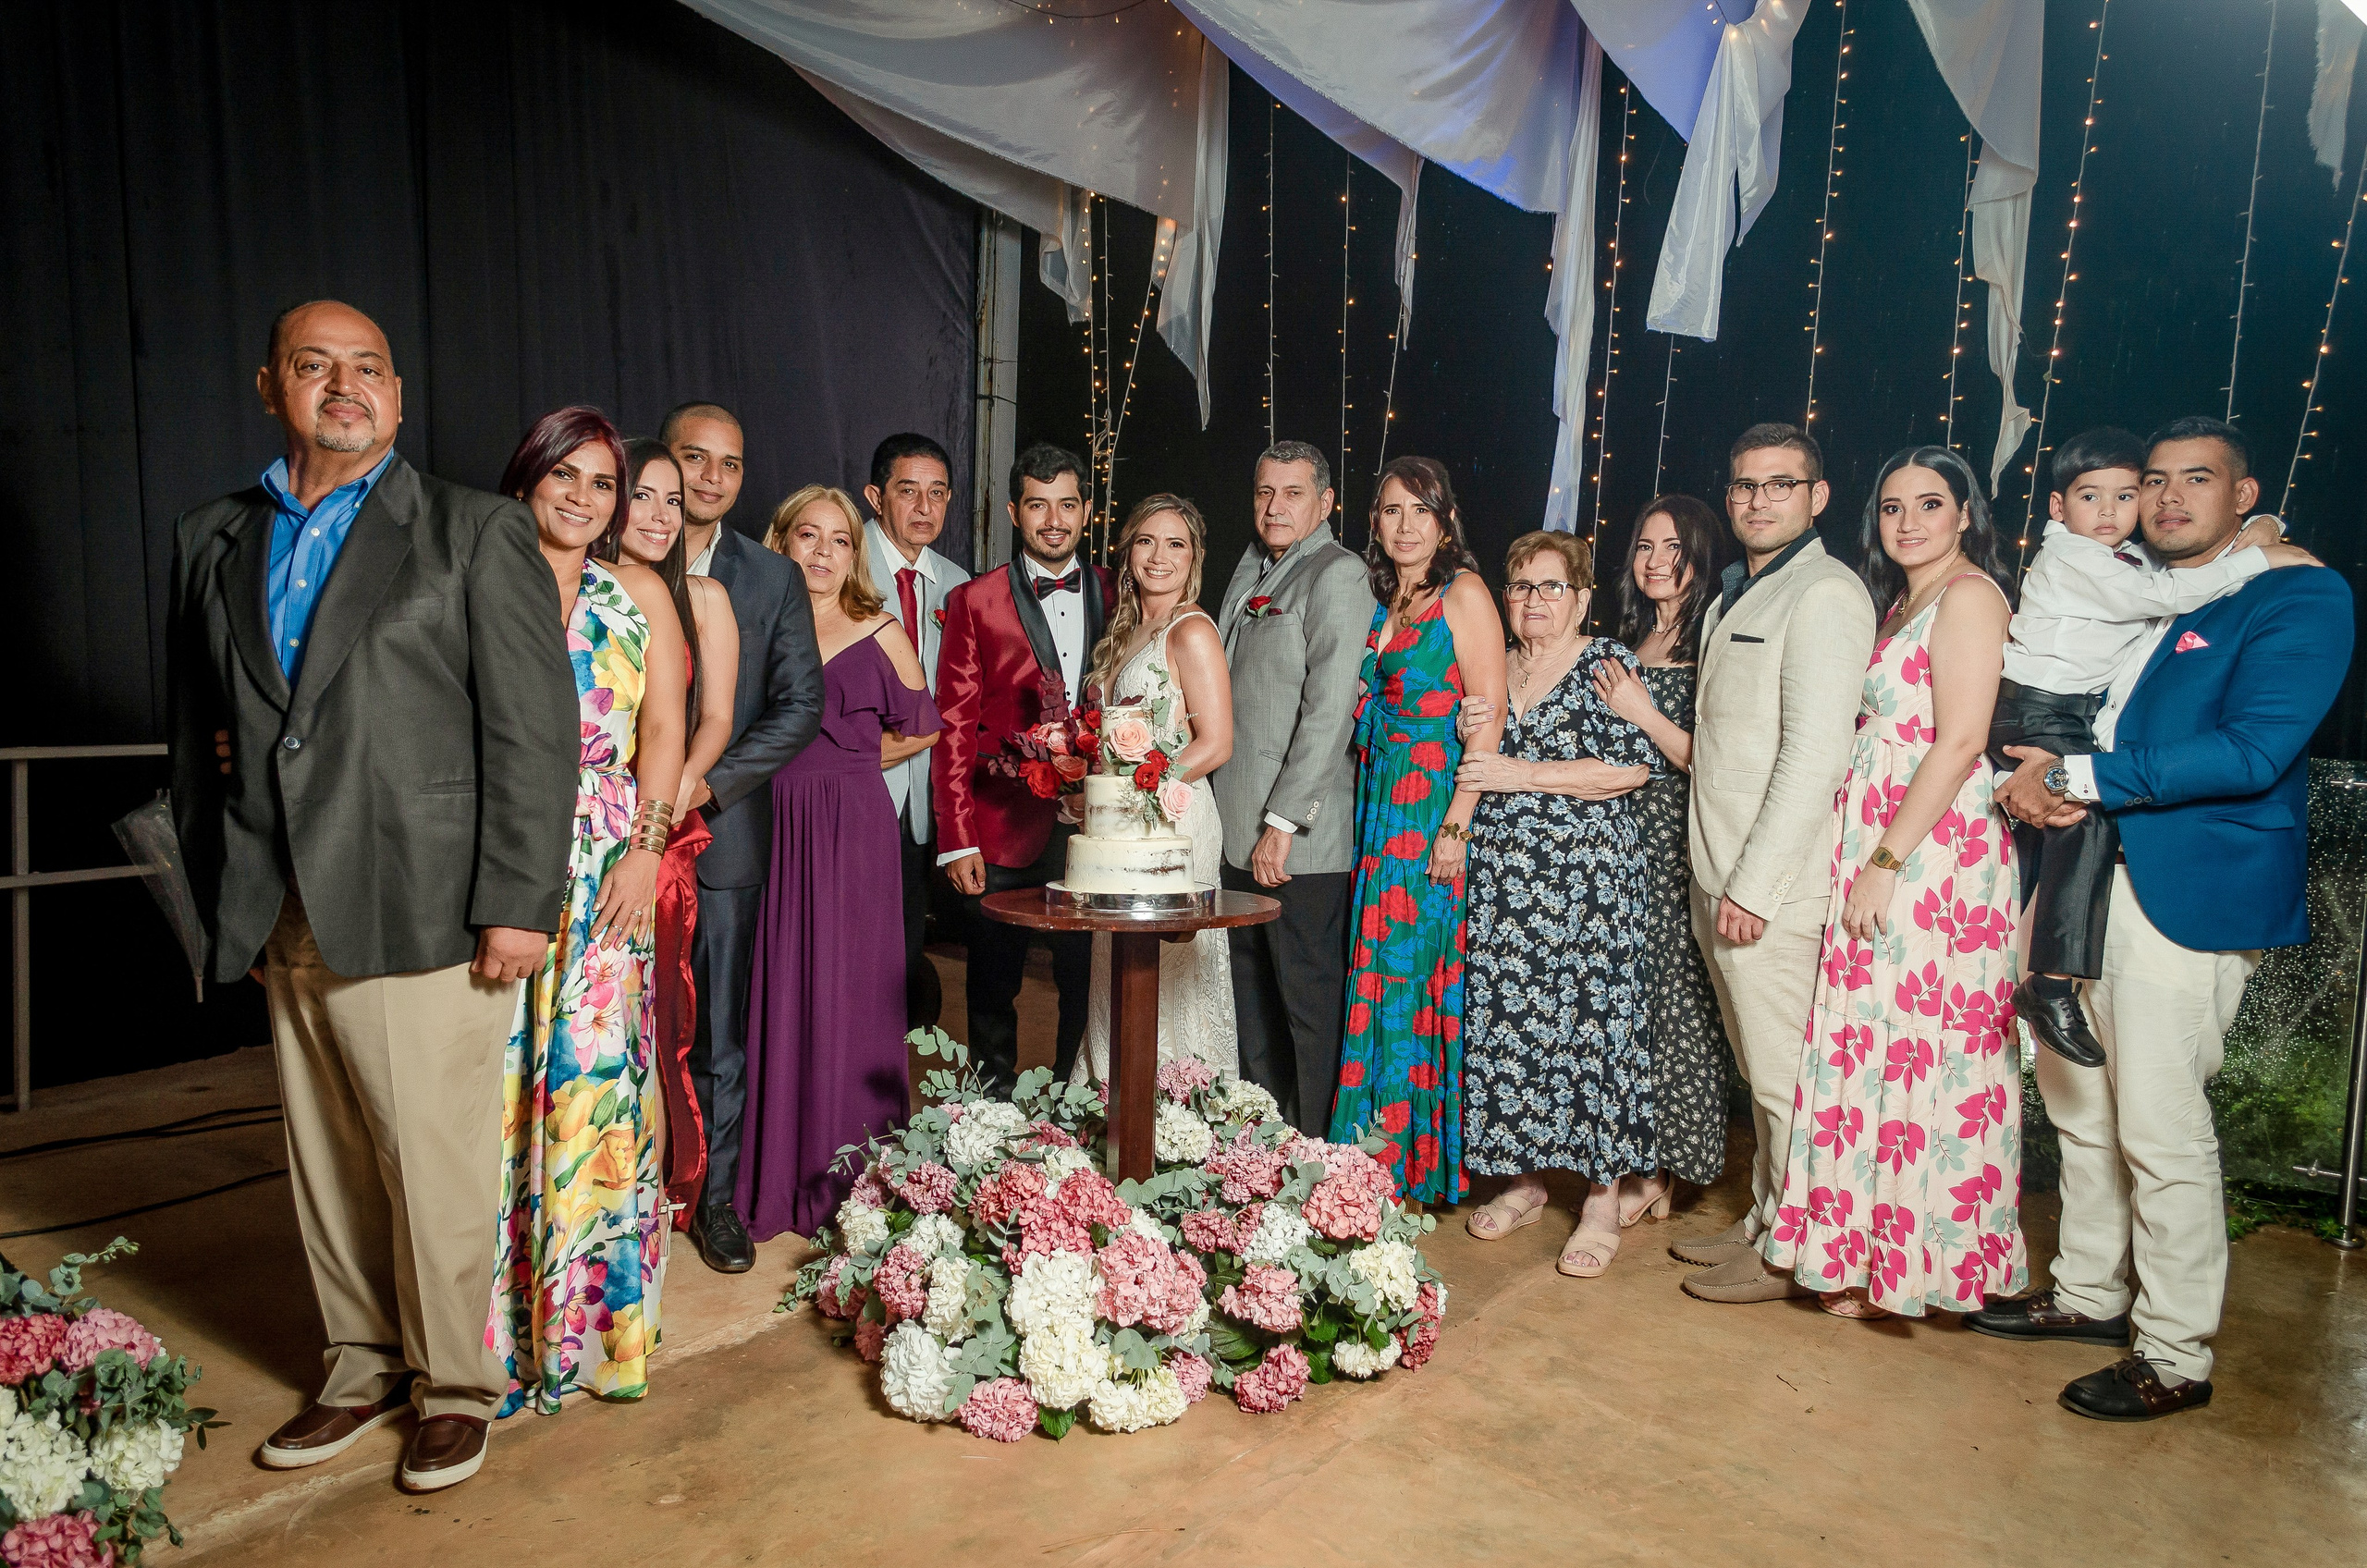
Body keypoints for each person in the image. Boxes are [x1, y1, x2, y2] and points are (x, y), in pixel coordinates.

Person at [170, 300, 576, 1491]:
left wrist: (519, 898)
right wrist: (217, 907)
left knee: (430, 1160)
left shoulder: (469, 529)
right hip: (277, 900)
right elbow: (197, 743)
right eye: (314, 366)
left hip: (425, 901)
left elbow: (533, 733)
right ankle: (359, 1367)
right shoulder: (212, 535)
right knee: (326, 1161)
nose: (342, 387)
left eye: (367, 370)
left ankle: (456, 1387)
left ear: (397, 398)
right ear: (270, 386)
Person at [1978, 417, 2349, 1421]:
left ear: (2244, 494)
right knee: (2078, 1106)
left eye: (2199, 479)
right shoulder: (2135, 585)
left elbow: (2250, 750)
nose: (2170, 496)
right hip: (2086, 873)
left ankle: (2175, 1352)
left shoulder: (2296, 593)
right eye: (2154, 479)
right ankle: (2089, 1294)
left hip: (2181, 891)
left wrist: (2078, 777)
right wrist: (2042, 777)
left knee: (2158, 1122)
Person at [1733, 445, 2023, 1320]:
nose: (1908, 522)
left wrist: (1887, 863)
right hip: (1882, 842)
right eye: (1893, 507)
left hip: (1933, 856)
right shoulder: (1903, 602)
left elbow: (1962, 739)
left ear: (1965, 514)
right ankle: (1858, 1257)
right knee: (1875, 1049)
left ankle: (1921, 1271)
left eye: (1929, 505)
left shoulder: (1971, 598)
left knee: (1925, 1053)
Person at [487, 407, 688, 1410]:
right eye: (564, 475)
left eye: (602, 483)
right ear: (527, 477)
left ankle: (593, 1335)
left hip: (611, 862)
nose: (583, 496)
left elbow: (665, 731)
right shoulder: (480, 580)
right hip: (496, 860)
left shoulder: (634, 593)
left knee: (597, 1088)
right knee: (490, 1097)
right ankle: (482, 1345)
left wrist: (645, 856)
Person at [1984, 427, 2297, 1066]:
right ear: (2056, 508)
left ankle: (2028, 974)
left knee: (2059, 841)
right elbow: (2172, 595)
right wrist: (2265, 557)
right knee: (2086, 825)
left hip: (2059, 713)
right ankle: (2048, 985)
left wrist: (2261, 524)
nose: (2109, 511)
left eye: (2126, 495)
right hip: (2038, 710)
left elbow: (2185, 570)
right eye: (2090, 496)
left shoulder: (2122, 558)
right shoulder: (2078, 558)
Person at [1676, 423, 1877, 1305]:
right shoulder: (1738, 594)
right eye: (1745, 486)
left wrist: (1755, 887)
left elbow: (1815, 754)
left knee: (1786, 1078)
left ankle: (1802, 1256)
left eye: (1780, 485)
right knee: (1761, 1072)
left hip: (1771, 888)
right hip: (1716, 872)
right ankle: (1767, 1219)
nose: (1759, 500)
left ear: (1817, 496)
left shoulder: (1827, 593)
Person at [737, 486, 941, 1238]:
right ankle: (774, 1179)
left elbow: (922, 729)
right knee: (777, 986)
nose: (823, 553)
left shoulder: (880, 628)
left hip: (852, 826)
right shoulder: (756, 622)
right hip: (769, 819)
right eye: (807, 537)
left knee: (853, 992)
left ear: (855, 555)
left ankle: (851, 1191)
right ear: (781, 540)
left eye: (840, 541)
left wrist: (848, 759)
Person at [1454, 532, 1657, 1275]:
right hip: (1504, 880)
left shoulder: (1608, 665)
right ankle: (1525, 1180)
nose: (1533, 601)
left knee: (1592, 1028)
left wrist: (1519, 772)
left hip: (1587, 882)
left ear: (1580, 597)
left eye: (1550, 587)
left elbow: (1632, 769)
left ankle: (1602, 1198)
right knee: (1511, 1021)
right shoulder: (1495, 666)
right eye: (1520, 587)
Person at [664, 401, 826, 1274]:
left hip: (721, 838)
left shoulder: (769, 578)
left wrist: (707, 788)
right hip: (616, 836)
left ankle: (713, 1198)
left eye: (729, 464)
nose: (711, 479)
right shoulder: (613, 555)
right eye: (695, 458)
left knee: (718, 1027)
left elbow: (801, 706)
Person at [1329, 457, 1507, 1207]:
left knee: (1406, 977)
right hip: (1377, 804)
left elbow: (1490, 714)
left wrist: (1457, 826)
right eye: (1392, 511)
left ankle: (1397, 1168)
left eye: (1420, 512)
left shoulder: (1463, 593)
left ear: (1444, 522)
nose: (1405, 526)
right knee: (1373, 971)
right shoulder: (1381, 595)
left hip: (1430, 805)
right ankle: (1364, 1163)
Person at [934, 442, 1112, 1096]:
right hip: (1000, 827)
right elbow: (952, 725)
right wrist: (957, 837)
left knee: (1082, 984)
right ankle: (993, 1115)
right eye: (1038, 505)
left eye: (1068, 504)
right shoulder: (973, 600)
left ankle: (1069, 1108)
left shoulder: (1114, 589)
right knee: (991, 985)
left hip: (1089, 828)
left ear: (1086, 511)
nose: (1054, 519)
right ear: (1014, 511)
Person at [1211, 442, 1375, 1133]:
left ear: (1326, 503)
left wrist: (1283, 822)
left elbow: (1329, 709)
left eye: (1293, 493)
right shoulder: (1253, 566)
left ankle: (1314, 1158)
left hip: (1297, 844)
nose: (1275, 506)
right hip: (1235, 830)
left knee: (1306, 1008)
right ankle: (1262, 1149)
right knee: (1252, 1004)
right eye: (1264, 492)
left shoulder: (1338, 574)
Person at [607, 438, 740, 1228]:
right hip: (582, 813)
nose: (660, 516)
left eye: (672, 501)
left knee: (659, 1008)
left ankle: (652, 1190)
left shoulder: (704, 597)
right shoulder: (579, 586)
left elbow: (716, 716)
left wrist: (667, 797)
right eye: (642, 498)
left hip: (662, 819)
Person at [1593, 495, 1734, 1196]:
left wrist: (1640, 710)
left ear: (1700, 556)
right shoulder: (1628, 640)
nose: (1655, 561)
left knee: (1681, 1005)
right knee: (1632, 1003)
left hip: (1680, 839)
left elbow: (1716, 759)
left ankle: (1672, 1170)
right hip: (1619, 845)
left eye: (1672, 548)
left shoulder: (1713, 638)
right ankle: (1634, 1154)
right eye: (1645, 546)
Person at [1076, 495, 1237, 1083]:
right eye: (1146, 541)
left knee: (1170, 979)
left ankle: (1180, 1121)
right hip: (1124, 830)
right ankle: (1117, 1117)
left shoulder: (1191, 629)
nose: (1159, 555)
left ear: (1193, 558)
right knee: (1119, 972)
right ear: (1127, 551)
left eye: (1176, 543)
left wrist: (1142, 789)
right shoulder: (1128, 629)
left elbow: (1216, 743)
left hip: (1172, 820)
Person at [863, 434, 971, 1027]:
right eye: (908, 492)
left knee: (904, 944)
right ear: (876, 497)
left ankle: (884, 1084)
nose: (925, 508)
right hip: (854, 783)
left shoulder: (959, 585)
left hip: (921, 799)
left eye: (937, 494)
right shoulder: (839, 563)